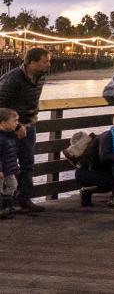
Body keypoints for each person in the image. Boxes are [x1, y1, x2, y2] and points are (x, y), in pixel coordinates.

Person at [0, 47, 51, 213]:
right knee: (9, 165)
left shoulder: (41, 76)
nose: (48, 64)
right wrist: (17, 126)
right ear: (31, 62)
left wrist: (35, 114)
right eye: (45, 61)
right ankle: (8, 203)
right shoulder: (12, 78)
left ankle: (25, 199)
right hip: (10, 128)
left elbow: (35, 99)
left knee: (28, 163)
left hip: (30, 126)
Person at [0, 108, 19, 219]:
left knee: (13, 185)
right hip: (2, 170)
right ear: (3, 122)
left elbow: (12, 153)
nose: (17, 124)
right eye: (14, 121)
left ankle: (7, 205)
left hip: (9, 169)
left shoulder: (10, 135)